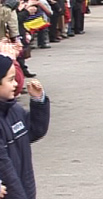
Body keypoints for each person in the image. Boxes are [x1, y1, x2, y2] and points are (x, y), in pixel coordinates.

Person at [0, 52, 50, 199]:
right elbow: (4, 168)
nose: (16, 84)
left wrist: (38, 101)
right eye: (10, 80)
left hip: (24, 186)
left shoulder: (13, 109)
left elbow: (34, 130)